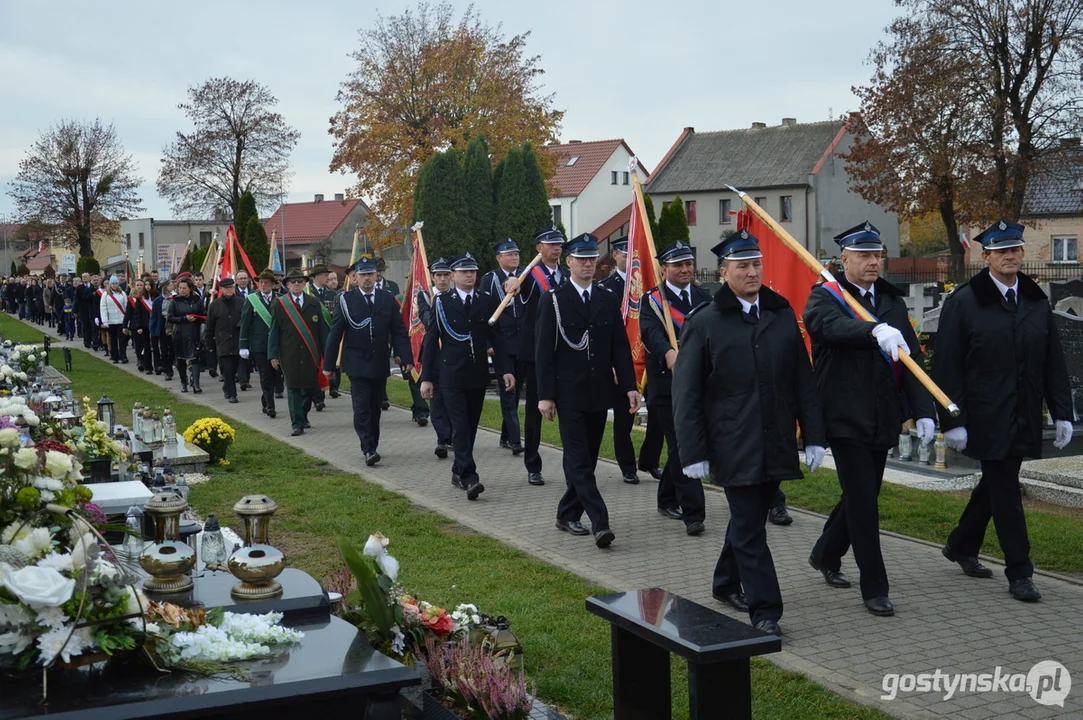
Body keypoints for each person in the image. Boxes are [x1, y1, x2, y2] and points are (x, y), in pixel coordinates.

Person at [672, 229, 825, 636]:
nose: (753, 272)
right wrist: (693, 451)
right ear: (724, 273)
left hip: (774, 439)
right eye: (743, 266)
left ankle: (724, 583)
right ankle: (766, 610)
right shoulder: (704, 322)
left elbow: (802, 381)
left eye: (756, 264)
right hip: (731, 442)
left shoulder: (780, 315)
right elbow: (685, 393)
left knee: (749, 519)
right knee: (750, 527)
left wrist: (814, 434)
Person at [933, 219, 1074, 603]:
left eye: (1015, 250)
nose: (1010, 256)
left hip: (1024, 410)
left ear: (1023, 254)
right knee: (1007, 490)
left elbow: (1052, 362)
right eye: (1001, 251)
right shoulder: (964, 301)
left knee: (997, 482)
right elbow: (946, 365)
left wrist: (1062, 411)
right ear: (986, 256)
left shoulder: (1034, 299)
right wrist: (953, 420)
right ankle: (1020, 572)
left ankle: (961, 544)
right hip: (984, 415)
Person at [804, 221, 937, 617]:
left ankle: (825, 553)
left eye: (877, 255)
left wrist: (924, 411)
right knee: (864, 501)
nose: (873, 262)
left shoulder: (891, 301)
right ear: (844, 259)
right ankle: (875, 586)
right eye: (863, 255)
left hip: (882, 414)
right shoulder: (826, 296)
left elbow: (911, 358)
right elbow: (826, 326)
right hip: (843, 414)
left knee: (863, 494)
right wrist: (871, 330)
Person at [536, 233, 640, 548]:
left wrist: (630, 387)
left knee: (589, 460)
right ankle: (600, 521)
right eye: (581, 259)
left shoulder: (607, 298)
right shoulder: (553, 299)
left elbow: (619, 348)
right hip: (568, 394)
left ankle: (566, 513)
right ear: (568, 262)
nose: (587, 264)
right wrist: (545, 395)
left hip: (599, 392)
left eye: (592, 259)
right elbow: (544, 352)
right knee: (579, 461)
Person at [420, 253, 514, 500]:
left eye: (473, 271)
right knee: (460, 425)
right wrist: (427, 378)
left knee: (471, 426)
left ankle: (457, 469)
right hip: (450, 375)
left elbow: (498, 337)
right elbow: (430, 342)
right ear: (453, 276)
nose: (469, 275)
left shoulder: (486, 299)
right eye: (464, 272)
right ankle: (470, 477)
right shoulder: (441, 302)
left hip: (477, 374)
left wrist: (506, 370)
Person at [640, 239, 711, 535]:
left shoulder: (705, 297)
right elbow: (650, 333)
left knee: (679, 446)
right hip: (667, 387)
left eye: (688, 264)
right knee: (683, 444)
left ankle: (667, 496)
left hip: (698, 385)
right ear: (664, 268)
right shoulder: (653, 300)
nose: (685, 269)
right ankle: (694, 514)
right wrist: (669, 353)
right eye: (678, 265)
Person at [323, 257, 412, 466]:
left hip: (379, 362)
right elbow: (335, 334)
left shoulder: (387, 299)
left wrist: (406, 357)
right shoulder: (345, 300)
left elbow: (398, 330)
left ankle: (373, 443)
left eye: (371, 274)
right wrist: (329, 365)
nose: (367, 279)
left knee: (375, 407)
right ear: (355, 278)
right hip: (356, 362)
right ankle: (368, 448)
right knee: (361, 406)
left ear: (376, 276)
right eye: (363, 275)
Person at [501, 226, 567, 486]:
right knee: (534, 411)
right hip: (537, 354)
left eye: (559, 244)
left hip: (564, 352)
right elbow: (514, 283)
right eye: (551, 244)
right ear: (539, 248)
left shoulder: (565, 274)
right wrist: (513, 280)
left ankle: (572, 464)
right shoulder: (529, 276)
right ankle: (533, 464)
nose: (556, 248)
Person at [269, 269, 331, 436]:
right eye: (292, 282)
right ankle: (297, 423)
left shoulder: (313, 302)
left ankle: (302, 415)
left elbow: (322, 331)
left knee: (310, 388)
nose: (296, 284)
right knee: (294, 388)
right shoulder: (280, 304)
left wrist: (328, 353)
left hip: (311, 353)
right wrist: (273, 354)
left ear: (305, 284)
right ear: (287, 284)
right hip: (289, 353)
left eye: (300, 281)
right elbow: (274, 330)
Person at [598, 237, 638, 483]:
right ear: (615, 256)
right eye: (626, 254)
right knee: (622, 417)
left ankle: (650, 459)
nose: (630, 258)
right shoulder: (605, 288)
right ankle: (627, 467)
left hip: (643, 359)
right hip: (617, 362)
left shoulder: (644, 285)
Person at [480, 238, 524, 454]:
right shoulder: (490, 279)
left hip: (522, 343)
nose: (514, 257)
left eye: (516, 253)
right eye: (509, 254)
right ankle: (515, 440)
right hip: (501, 343)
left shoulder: (524, 276)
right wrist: (488, 342)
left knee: (516, 393)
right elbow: (485, 312)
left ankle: (506, 436)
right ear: (499, 258)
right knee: (508, 390)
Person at [417, 258, 454, 458]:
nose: (442, 279)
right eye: (438, 275)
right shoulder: (426, 296)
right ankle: (443, 438)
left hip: (452, 354)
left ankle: (454, 435)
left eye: (446, 275)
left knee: (452, 398)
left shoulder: (456, 296)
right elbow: (425, 319)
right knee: (437, 399)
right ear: (432, 277)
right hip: (434, 353)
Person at [240, 270, 282, 419]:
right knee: (265, 376)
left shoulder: (280, 298)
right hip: (260, 345)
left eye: (266, 282)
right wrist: (243, 345)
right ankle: (271, 405)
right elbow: (245, 323)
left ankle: (265, 399)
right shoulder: (252, 299)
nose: (263, 285)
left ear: (272, 284)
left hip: (277, 345)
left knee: (276, 375)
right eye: (261, 282)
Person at [205, 277, 245, 403]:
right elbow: (209, 326)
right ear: (221, 289)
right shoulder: (214, 305)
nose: (229, 290)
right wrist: (209, 344)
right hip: (223, 342)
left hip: (238, 341)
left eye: (231, 288)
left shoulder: (241, 302)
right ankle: (232, 394)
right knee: (227, 369)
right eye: (226, 288)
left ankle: (227, 387)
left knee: (235, 369)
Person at [305, 265, 339, 407]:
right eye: (325, 275)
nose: (328, 278)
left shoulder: (332, 294)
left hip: (328, 335)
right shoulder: (307, 293)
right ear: (317, 277)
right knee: (315, 366)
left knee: (329, 363)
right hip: (312, 336)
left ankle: (333, 387)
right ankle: (318, 398)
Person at [168, 275, 205, 393]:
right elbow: (170, 318)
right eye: (180, 288)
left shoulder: (197, 300)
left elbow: (204, 315)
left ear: (190, 288)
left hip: (194, 332)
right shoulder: (174, 301)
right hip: (180, 333)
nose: (182, 290)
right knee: (181, 359)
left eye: (184, 288)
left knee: (195, 358)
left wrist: (198, 319)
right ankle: (183, 382)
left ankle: (196, 384)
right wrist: (184, 318)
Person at [125, 281, 153, 374]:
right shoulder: (131, 298)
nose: (139, 287)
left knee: (146, 345)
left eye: (141, 285)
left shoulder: (147, 298)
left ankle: (146, 363)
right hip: (135, 325)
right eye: (138, 285)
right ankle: (140, 360)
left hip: (146, 324)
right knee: (139, 344)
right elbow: (128, 313)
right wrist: (125, 325)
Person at [99, 276, 129, 364]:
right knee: (113, 339)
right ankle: (115, 356)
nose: (114, 285)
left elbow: (126, 306)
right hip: (111, 321)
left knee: (122, 339)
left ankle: (123, 356)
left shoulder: (122, 293)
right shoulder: (106, 294)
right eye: (113, 284)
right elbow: (103, 307)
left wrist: (126, 320)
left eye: (116, 284)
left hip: (121, 320)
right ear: (110, 284)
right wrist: (105, 320)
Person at [150, 280, 175, 380]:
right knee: (164, 350)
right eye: (169, 285)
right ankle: (167, 370)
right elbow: (154, 316)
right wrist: (153, 330)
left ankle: (171, 364)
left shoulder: (174, 298)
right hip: (162, 329)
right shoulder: (158, 301)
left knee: (172, 349)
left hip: (173, 328)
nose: (172, 286)